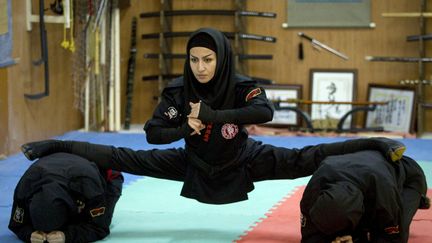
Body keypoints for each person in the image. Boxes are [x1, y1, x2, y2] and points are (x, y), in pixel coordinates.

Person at [21, 27, 405, 205]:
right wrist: (184, 125)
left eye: (207, 59)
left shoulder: (241, 84)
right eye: (194, 59)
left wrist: (213, 114)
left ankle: (376, 143)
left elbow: (264, 111)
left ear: (220, 59)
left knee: (309, 158)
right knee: (124, 156)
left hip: (244, 160)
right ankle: (55, 143)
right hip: (192, 162)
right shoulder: (177, 91)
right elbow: (153, 133)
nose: (200, 67)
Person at [300, 150, 430, 243]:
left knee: (392, 225)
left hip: (408, 179)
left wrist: (355, 238)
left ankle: (418, 198)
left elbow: (392, 238)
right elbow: (310, 237)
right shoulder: (312, 194)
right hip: (362, 172)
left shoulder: (382, 194)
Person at [8, 152, 123, 243]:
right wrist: (30, 234)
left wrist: (66, 236)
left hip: (104, 171)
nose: (48, 236)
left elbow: (100, 228)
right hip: (56, 163)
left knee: (99, 216)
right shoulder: (24, 189)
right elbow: (17, 225)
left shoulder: (90, 188)